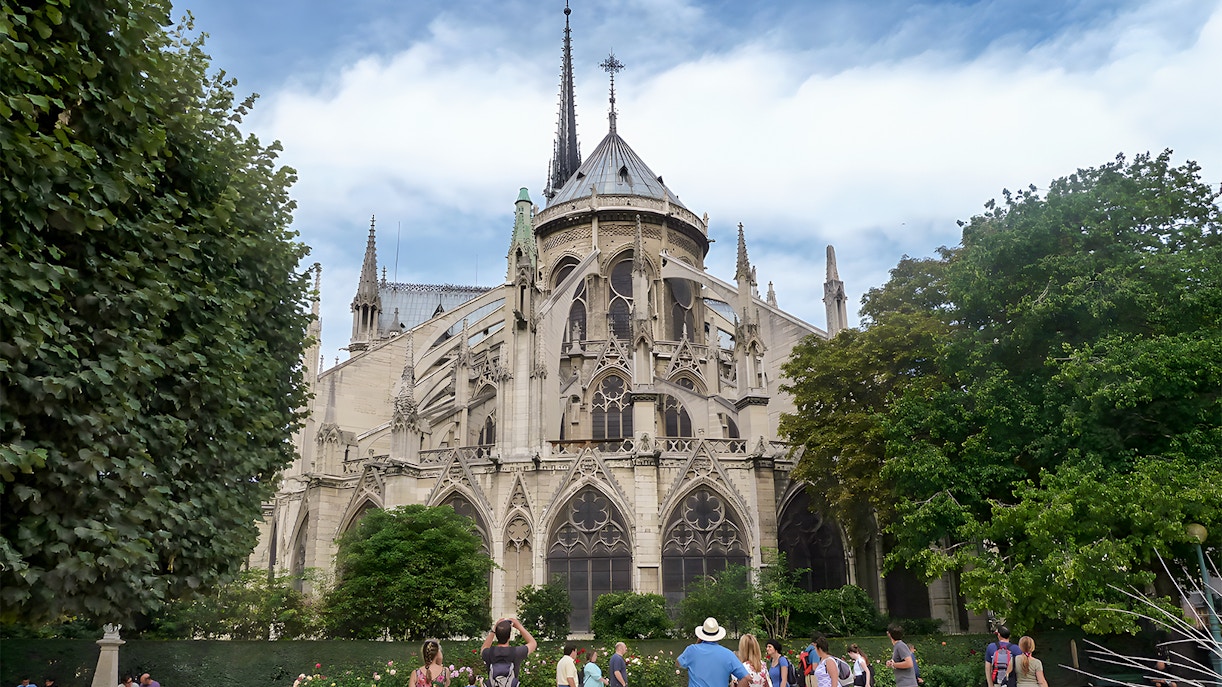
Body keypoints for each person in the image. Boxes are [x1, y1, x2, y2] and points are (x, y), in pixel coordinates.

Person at [677, 617, 751, 687]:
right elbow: (746, 678)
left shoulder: (692, 650)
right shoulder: (728, 654)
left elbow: (678, 663)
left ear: (701, 635)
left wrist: (697, 644)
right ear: (718, 636)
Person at [481, 617, 538, 687]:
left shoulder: (489, 652)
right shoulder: (516, 652)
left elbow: (484, 648)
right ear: (509, 635)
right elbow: (533, 643)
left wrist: (494, 630)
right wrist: (519, 626)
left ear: (496, 635)